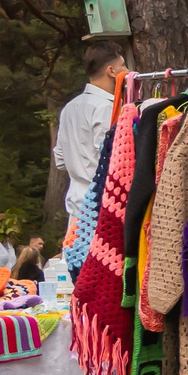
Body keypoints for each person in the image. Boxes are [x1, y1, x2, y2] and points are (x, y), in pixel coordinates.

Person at [53, 40, 125, 278]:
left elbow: (60, 160)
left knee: (76, 276)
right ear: (111, 71)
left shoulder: (69, 108)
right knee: (100, 278)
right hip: (100, 207)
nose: (127, 72)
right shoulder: (106, 108)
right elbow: (109, 158)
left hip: (76, 204)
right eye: (123, 65)